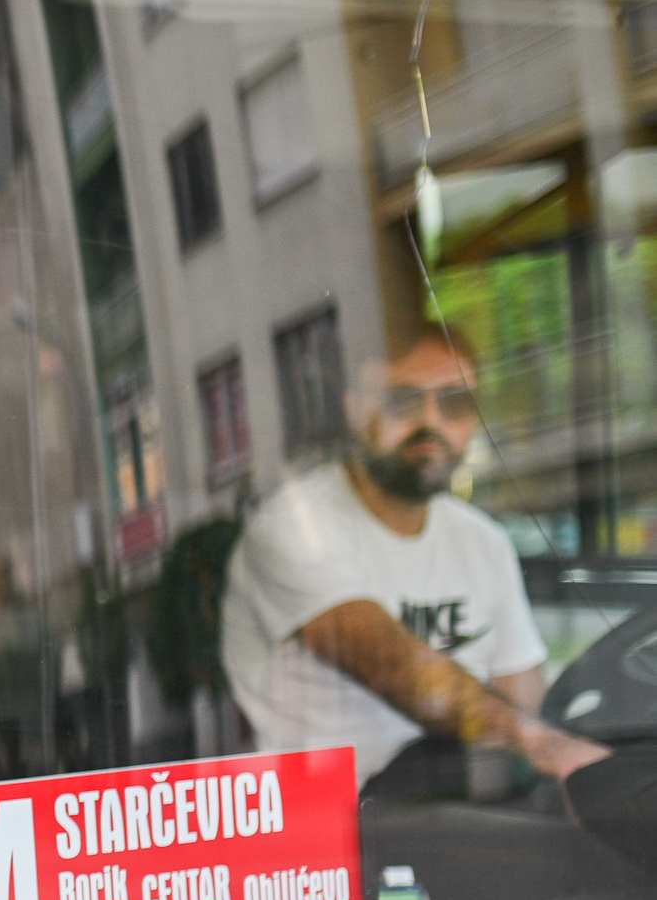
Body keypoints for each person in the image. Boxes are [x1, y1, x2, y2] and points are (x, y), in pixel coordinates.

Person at [221, 325, 609, 797]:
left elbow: (523, 702)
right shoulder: (293, 528)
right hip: (326, 834)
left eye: (455, 403)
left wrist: (554, 753)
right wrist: (543, 744)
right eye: (403, 401)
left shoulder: (482, 540)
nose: (432, 421)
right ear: (356, 410)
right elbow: (391, 664)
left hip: (464, 815)